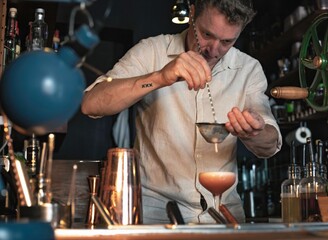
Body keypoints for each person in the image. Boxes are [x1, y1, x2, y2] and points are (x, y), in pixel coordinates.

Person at [81, 0, 282, 224]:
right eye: (206, 34)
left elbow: (271, 144)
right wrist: (159, 77)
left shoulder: (248, 69)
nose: (214, 50)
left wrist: (255, 131)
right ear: (193, 13)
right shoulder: (152, 52)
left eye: (227, 41)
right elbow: (91, 103)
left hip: (224, 215)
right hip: (158, 214)